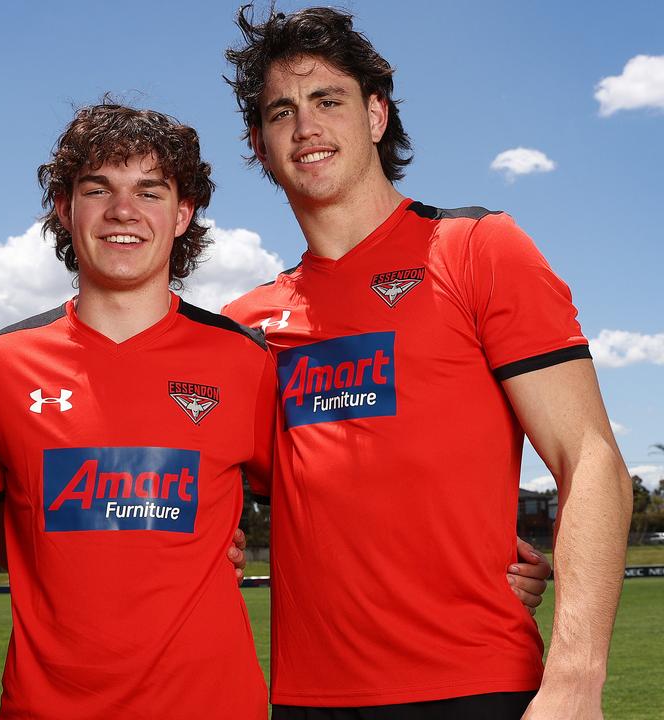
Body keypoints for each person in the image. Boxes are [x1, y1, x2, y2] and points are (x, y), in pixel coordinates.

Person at [221, 6, 632, 719]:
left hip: (478, 686)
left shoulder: (478, 249)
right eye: (281, 111)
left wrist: (574, 681)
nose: (306, 127)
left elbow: (590, 458)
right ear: (259, 144)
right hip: (305, 699)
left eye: (328, 101)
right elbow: (217, 490)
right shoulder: (245, 327)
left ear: (376, 114)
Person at [0, 102, 273, 719]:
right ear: (64, 209)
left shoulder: (246, 361)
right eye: (97, 189)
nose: (122, 211)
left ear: (183, 214)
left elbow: (329, 506)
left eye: (148, 191)